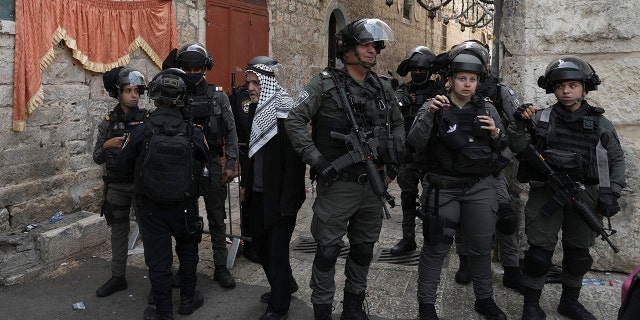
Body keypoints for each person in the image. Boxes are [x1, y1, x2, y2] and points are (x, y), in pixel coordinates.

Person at [285, 18, 404, 320]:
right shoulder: (323, 84)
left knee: (364, 250)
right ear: (347, 49)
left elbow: (397, 124)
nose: (372, 50)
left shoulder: (382, 87)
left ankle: (353, 308)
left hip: (373, 184)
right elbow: (295, 120)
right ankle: (322, 310)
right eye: (364, 45)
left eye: (374, 46)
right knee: (326, 252)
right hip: (338, 183)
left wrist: (393, 162)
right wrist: (319, 161)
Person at [508, 56, 625, 320]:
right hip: (546, 194)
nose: (566, 90)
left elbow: (615, 160)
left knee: (579, 255)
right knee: (538, 255)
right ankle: (531, 305)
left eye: (573, 85)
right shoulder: (542, 118)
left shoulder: (599, 123)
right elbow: (516, 146)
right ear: (553, 89)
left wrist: (611, 193)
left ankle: (569, 303)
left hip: (585, 194)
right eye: (560, 86)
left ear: (585, 88)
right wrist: (518, 122)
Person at [408, 45, 509, 320]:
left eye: (473, 79)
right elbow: (414, 142)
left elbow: (505, 149)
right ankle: (426, 304)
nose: (467, 84)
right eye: (462, 78)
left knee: (480, 247)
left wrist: (497, 134)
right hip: (443, 187)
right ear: (450, 79)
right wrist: (429, 114)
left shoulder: (488, 108)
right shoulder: (434, 105)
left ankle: (484, 298)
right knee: (436, 247)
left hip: (479, 187)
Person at [117, 68, 211, 320]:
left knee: (159, 260)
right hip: (184, 206)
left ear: (155, 96)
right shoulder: (193, 132)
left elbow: (122, 164)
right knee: (188, 252)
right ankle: (188, 301)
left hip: (151, 207)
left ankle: (163, 311)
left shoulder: (141, 129)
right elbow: (207, 160)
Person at [446, 40, 525, 294]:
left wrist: (502, 156)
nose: (467, 81)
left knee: (506, 219)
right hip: (460, 167)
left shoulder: (500, 91)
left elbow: (518, 129)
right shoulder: (448, 94)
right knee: (460, 221)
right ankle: (466, 262)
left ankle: (512, 268)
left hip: (492, 165)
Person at [239, 57, 307, 320]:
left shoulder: (286, 112)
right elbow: (251, 154)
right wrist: (246, 185)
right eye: (249, 83)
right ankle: (284, 286)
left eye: (256, 83)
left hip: (280, 198)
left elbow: (295, 164)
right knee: (261, 246)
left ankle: (279, 306)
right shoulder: (258, 110)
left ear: (268, 83)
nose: (251, 88)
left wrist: (289, 203)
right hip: (257, 194)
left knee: (277, 252)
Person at [174, 42, 239, 288]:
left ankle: (220, 268)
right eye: (187, 70)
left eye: (197, 69)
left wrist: (230, 164)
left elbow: (231, 132)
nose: (192, 74)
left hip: (211, 162)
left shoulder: (219, 96)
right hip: (185, 165)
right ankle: (185, 267)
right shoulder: (176, 95)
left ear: (205, 68)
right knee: (186, 219)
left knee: (217, 218)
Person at [93, 66, 148, 298]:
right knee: (118, 231)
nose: (134, 95)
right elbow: (97, 157)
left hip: (141, 186)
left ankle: (159, 278)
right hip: (116, 186)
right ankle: (118, 277)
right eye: (128, 90)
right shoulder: (108, 122)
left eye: (137, 90)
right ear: (119, 93)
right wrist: (107, 146)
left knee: (150, 232)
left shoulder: (147, 120)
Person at [390, 45, 440, 256]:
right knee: (408, 196)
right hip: (408, 153)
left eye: (422, 70)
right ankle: (408, 239)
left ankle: (433, 241)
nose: (418, 73)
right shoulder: (404, 90)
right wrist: (403, 103)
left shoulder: (439, 91)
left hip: (431, 154)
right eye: (415, 70)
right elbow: (391, 109)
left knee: (432, 200)